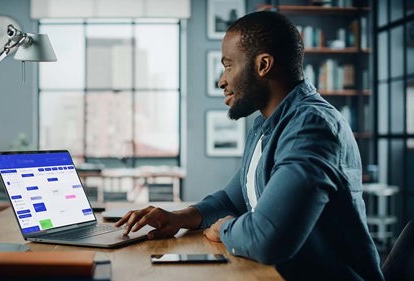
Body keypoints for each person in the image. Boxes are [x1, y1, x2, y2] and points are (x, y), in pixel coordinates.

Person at [115, 10, 384, 281]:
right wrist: (179, 218)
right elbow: (233, 198)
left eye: (228, 65)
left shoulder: (310, 127)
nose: (222, 80)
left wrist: (225, 229)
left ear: (263, 65)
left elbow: (266, 240)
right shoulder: (267, 125)